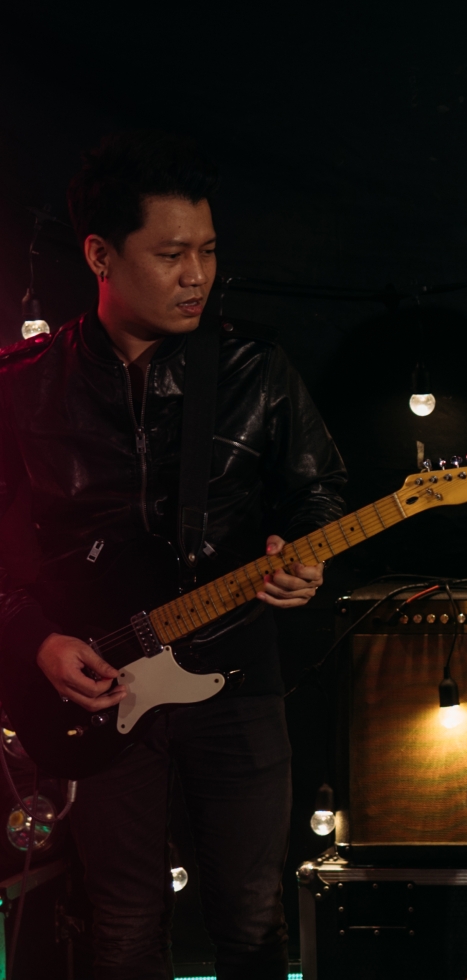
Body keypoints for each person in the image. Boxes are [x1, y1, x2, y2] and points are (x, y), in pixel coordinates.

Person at [0, 132, 345, 978]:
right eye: (171, 253)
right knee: (120, 928)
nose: (198, 274)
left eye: (209, 251)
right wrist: (40, 641)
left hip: (236, 674)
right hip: (97, 682)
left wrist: (305, 556)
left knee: (252, 921)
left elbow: (319, 492)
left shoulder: (253, 367)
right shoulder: (21, 385)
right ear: (99, 255)